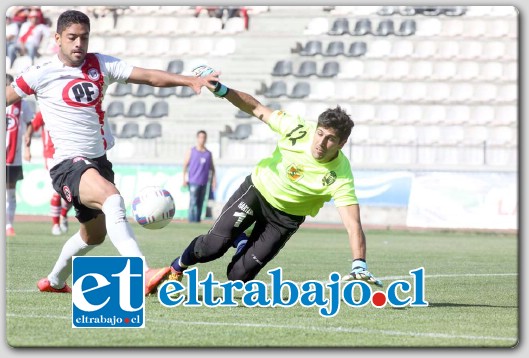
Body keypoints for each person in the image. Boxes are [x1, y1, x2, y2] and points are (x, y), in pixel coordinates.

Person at [5, 10, 219, 295]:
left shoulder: (100, 64)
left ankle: (54, 282)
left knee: (93, 236)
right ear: (57, 38)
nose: (79, 43)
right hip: (67, 164)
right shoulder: (39, 74)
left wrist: (189, 80)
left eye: (84, 37)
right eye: (72, 37)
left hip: (97, 161)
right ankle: (141, 272)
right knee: (112, 198)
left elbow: (149, 77)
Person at [166, 65, 382, 286]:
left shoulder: (340, 175)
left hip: (285, 220)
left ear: (341, 143)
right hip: (257, 193)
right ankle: (176, 266)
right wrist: (222, 90)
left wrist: (359, 263)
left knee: (237, 277)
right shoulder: (296, 128)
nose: (321, 143)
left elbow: (353, 224)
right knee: (212, 248)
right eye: (320, 133)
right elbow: (256, 108)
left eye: (330, 139)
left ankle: (240, 241)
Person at [24, 111, 73, 236]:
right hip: (51, 156)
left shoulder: (67, 108)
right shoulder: (44, 111)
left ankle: (63, 214)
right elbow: (32, 127)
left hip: (69, 153)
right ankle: (55, 225)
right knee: (57, 191)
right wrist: (27, 147)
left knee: (72, 192)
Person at [5, 74, 36, 237]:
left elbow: (31, 123)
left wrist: (27, 143)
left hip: (13, 157)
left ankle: (9, 224)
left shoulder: (22, 105)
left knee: (10, 191)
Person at [182, 130, 216, 223]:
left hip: (204, 182)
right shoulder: (191, 151)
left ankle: (197, 221)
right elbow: (185, 165)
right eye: (200, 137)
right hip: (193, 181)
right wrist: (184, 179)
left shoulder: (208, 153)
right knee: (193, 202)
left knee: (200, 202)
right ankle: (191, 221)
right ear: (197, 138)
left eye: (204, 137)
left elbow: (212, 168)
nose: (202, 139)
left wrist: (213, 181)